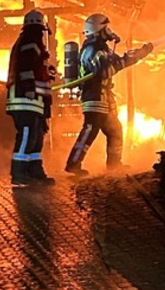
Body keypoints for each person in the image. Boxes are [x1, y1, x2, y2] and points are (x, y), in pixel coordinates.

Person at [64, 13, 153, 176]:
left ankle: (114, 164)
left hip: (104, 96)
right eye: (107, 28)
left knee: (115, 130)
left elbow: (120, 61)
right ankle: (73, 164)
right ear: (99, 30)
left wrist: (140, 54)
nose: (110, 31)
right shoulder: (92, 50)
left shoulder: (101, 49)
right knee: (90, 130)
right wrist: (121, 62)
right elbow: (106, 71)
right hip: (94, 96)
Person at [5, 9, 56, 187]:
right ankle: (18, 173)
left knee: (36, 137)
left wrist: (47, 72)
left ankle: (35, 171)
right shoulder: (30, 41)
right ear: (38, 27)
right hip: (24, 99)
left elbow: (33, 67)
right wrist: (28, 89)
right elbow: (25, 68)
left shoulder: (32, 43)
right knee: (27, 135)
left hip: (35, 101)